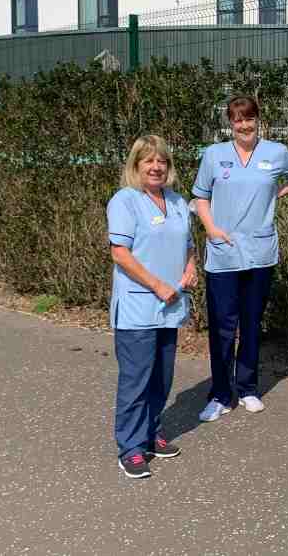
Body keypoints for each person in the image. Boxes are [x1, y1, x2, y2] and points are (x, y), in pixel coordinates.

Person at [192, 95, 288, 421]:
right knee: (222, 327)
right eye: (237, 119)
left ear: (259, 119)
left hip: (260, 253)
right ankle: (220, 394)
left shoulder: (277, 153)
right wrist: (212, 229)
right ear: (230, 123)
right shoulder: (214, 156)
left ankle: (247, 388)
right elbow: (200, 197)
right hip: (224, 254)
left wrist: (278, 193)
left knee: (252, 324)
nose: (244, 125)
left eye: (249, 118)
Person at [107, 134, 199, 479]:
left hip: (170, 305)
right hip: (138, 307)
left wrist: (190, 267)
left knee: (162, 376)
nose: (156, 167)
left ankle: (149, 434)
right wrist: (157, 284)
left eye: (161, 161)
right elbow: (120, 253)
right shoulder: (125, 201)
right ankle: (130, 448)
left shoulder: (177, 202)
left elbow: (188, 244)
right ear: (136, 166)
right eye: (148, 161)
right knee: (136, 379)